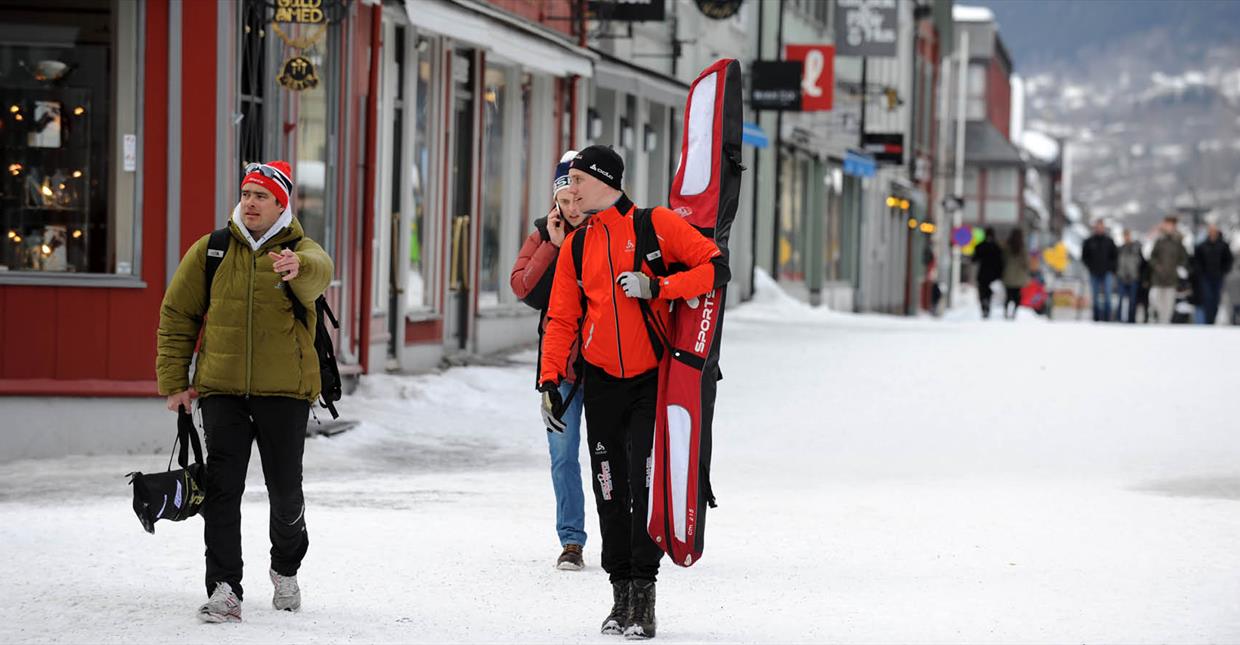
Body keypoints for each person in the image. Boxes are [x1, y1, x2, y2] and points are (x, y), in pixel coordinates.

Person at [537, 145, 727, 640]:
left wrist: (656, 287)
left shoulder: (654, 224)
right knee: (608, 490)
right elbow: (561, 318)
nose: (570, 189)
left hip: (651, 382)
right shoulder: (578, 244)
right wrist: (551, 381)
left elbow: (714, 267)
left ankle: (645, 596)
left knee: (644, 490)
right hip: (600, 383)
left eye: (577, 178)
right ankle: (619, 597)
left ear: (603, 180)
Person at [157, 161, 334, 623]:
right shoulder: (212, 250)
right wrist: (175, 382)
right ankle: (224, 588)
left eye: (262, 196)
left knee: (286, 492)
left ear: (281, 204)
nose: (251, 202)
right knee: (221, 492)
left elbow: (320, 273)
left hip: (285, 392)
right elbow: (178, 316)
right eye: (246, 194)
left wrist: (299, 268)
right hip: (222, 390)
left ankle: (285, 568)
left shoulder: (301, 249)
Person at [509, 150, 589, 571]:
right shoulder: (544, 233)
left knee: (612, 455)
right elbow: (524, 289)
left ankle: (623, 537)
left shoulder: (611, 231)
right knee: (562, 455)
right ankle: (571, 540)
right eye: (565, 199)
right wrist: (555, 248)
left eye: (578, 199)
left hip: (609, 363)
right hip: (559, 368)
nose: (572, 208)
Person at [1148, 216, 1189, 324]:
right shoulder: (1159, 240)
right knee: (1155, 299)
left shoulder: (1178, 242)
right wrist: (1156, 266)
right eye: (1167, 224)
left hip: (1171, 278)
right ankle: (1157, 319)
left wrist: (1179, 268)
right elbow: (1152, 257)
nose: (1169, 227)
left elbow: (1184, 258)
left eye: (1171, 225)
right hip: (1158, 278)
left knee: (1169, 304)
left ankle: (1165, 324)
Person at [1192, 224, 1233, 325]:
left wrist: (1224, 270)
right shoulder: (1202, 246)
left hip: (1218, 276)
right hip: (1206, 277)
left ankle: (1212, 318)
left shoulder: (1223, 245)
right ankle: (1208, 320)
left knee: (1216, 298)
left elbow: (1228, 260)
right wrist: (1200, 272)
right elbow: (1196, 261)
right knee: (1207, 297)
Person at [1081, 219, 1118, 322]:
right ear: (1094, 228)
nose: (1099, 228)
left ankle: (1107, 319)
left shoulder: (1109, 241)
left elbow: (1115, 257)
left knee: (1108, 297)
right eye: (1097, 227)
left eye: (1101, 226)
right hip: (1094, 273)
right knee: (1095, 297)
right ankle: (1096, 319)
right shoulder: (1089, 241)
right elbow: (1084, 257)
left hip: (1107, 273)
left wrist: (1110, 268)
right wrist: (1091, 267)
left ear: (1104, 227)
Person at [972, 227, 1002, 319]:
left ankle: (984, 306)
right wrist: (999, 274)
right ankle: (987, 305)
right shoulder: (996, 247)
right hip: (993, 275)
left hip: (982, 273)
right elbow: (1001, 262)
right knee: (989, 292)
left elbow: (974, 259)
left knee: (982, 291)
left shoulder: (980, 246)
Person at [1115, 229, 1145, 323]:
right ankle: (1119, 319)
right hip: (1121, 277)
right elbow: (1117, 263)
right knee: (1120, 300)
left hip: (1133, 278)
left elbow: (1141, 263)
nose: (1126, 238)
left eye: (1128, 235)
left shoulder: (1136, 249)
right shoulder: (1120, 249)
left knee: (1133, 301)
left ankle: (1131, 320)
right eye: (1125, 236)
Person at [1000, 229, 1028, 320]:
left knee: (1008, 295)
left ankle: (1006, 312)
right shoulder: (1022, 248)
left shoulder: (1007, 247)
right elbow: (1026, 263)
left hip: (1008, 275)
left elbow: (1002, 260)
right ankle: (1014, 313)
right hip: (1019, 277)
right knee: (1017, 296)